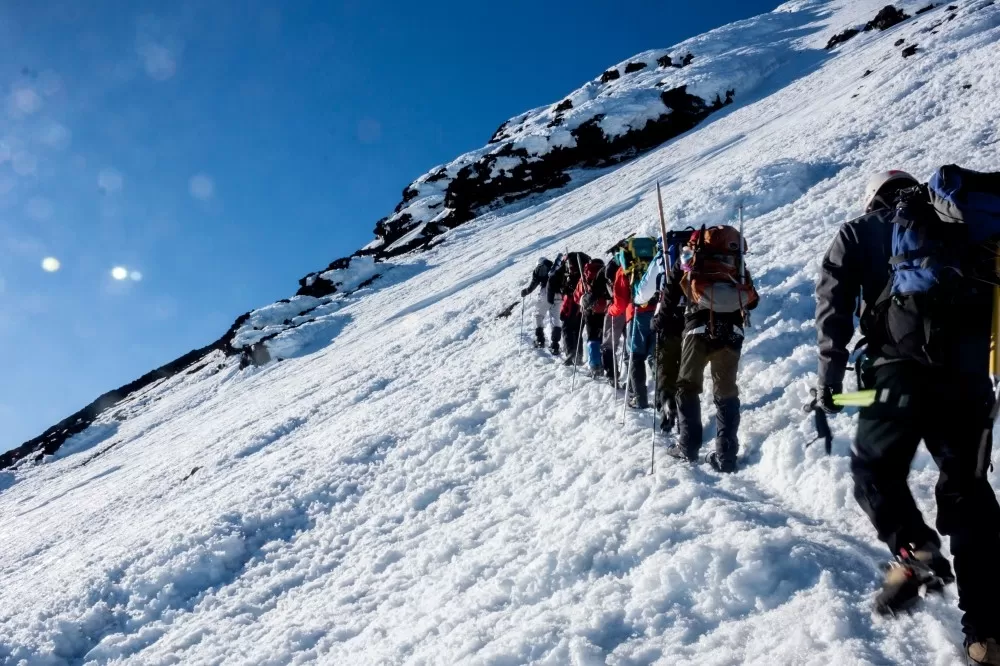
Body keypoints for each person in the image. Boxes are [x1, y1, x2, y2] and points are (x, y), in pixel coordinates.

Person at [815, 169, 1000, 663]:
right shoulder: (963, 229)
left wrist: (828, 379)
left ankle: (913, 548)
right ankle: (987, 633)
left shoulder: (857, 231)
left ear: (874, 198)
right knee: (969, 492)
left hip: (895, 373)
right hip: (966, 376)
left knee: (874, 470)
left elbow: (833, 303)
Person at [661, 225, 759, 472]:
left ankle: (688, 445)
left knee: (687, 386)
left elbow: (672, 289)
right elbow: (753, 301)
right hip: (732, 331)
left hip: (698, 329)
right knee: (725, 391)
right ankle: (726, 455)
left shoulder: (690, 260)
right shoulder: (737, 264)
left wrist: (660, 320)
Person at [614, 236, 659, 408]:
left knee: (635, 357)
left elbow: (620, 303)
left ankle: (639, 399)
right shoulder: (656, 262)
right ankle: (662, 399)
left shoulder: (625, 268)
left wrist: (611, 311)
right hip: (658, 312)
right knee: (655, 356)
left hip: (636, 314)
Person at [574, 258, 612, 378]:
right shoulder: (605, 273)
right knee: (605, 339)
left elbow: (577, 296)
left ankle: (595, 367)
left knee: (592, 338)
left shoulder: (585, 276)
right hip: (605, 309)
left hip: (590, 311)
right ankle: (609, 367)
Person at [554, 252, 590, 365]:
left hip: (573, 304)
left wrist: (563, 312)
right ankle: (578, 356)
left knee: (567, 328)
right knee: (578, 330)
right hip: (585, 305)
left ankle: (571, 353)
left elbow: (568, 294)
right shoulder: (585, 272)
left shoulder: (571, 275)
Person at [521, 257, 561, 352]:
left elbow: (534, 282)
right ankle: (555, 345)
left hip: (546, 292)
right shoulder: (555, 268)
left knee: (538, 315)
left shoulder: (540, 268)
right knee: (555, 318)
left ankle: (540, 340)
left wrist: (526, 291)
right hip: (559, 294)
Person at [602, 256, 630, 387]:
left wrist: (611, 310)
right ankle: (633, 382)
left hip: (617, 310)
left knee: (609, 344)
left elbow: (618, 300)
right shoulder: (636, 265)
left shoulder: (615, 269)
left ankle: (611, 375)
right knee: (630, 346)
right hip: (634, 310)